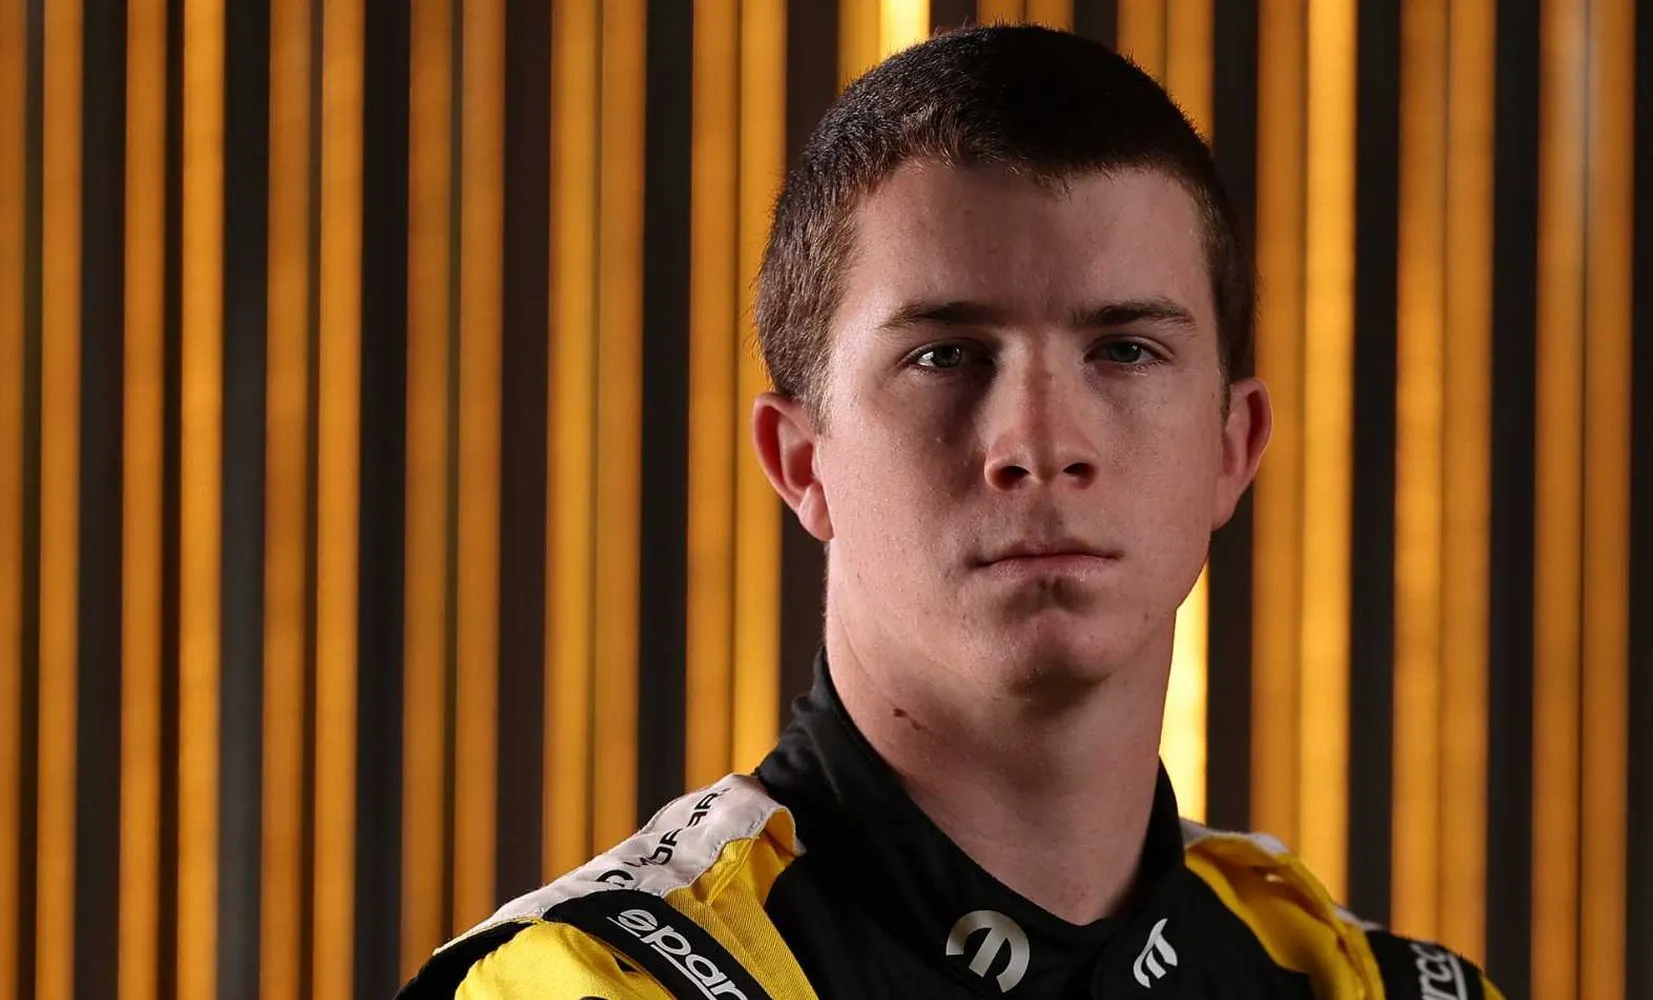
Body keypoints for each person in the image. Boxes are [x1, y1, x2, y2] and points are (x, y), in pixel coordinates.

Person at [400, 24, 1500, 1000]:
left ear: (1232, 446)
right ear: (799, 460)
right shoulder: (591, 985)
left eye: (1124, 349)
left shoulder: (1381, 987)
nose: (1040, 443)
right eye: (945, 355)